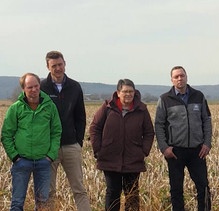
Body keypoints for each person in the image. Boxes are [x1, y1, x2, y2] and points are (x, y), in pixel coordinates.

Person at [89, 79, 155, 211]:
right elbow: (95, 128)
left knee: (132, 194)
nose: (128, 94)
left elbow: (149, 133)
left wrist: (143, 152)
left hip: (133, 160)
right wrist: (98, 150)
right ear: (118, 93)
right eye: (125, 91)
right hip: (110, 158)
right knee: (112, 193)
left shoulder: (141, 109)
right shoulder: (107, 107)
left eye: (131, 91)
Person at [154, 66, 212, 211]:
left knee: (203, 187)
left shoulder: (198, 96)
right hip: (175, 151)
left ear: (186, 77)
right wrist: (164, 148)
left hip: (197, 150)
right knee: (176, 189)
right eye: (176, 77)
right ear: (172, 80)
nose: (180, 79)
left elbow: (207, 120)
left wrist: (207, 143)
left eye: (182, 75)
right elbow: (159, 125)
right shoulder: (165, 99)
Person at [1, 73, 61, 210]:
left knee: (42, 203)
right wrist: (15, 157)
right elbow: (6, 134)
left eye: (36, 86)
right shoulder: (16, 108)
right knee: (17, 202)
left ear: (39, 86)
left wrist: (50, 156)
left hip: (43, 162)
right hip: (22, 162)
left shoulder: (50, 107)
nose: (34, 90)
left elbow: (56, 132)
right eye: (30, 87)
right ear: (23, 89)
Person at [40, 51, 91, 211]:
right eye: (53, 65)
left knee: (79, 189)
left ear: (65, 64)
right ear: (48, 67)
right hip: (49, 148)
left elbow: (80, 117)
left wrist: (78, 142)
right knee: (47, 191)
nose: (57, 68)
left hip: (71, 146)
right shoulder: (41, 87)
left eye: (60, 64)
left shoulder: (75, 86)